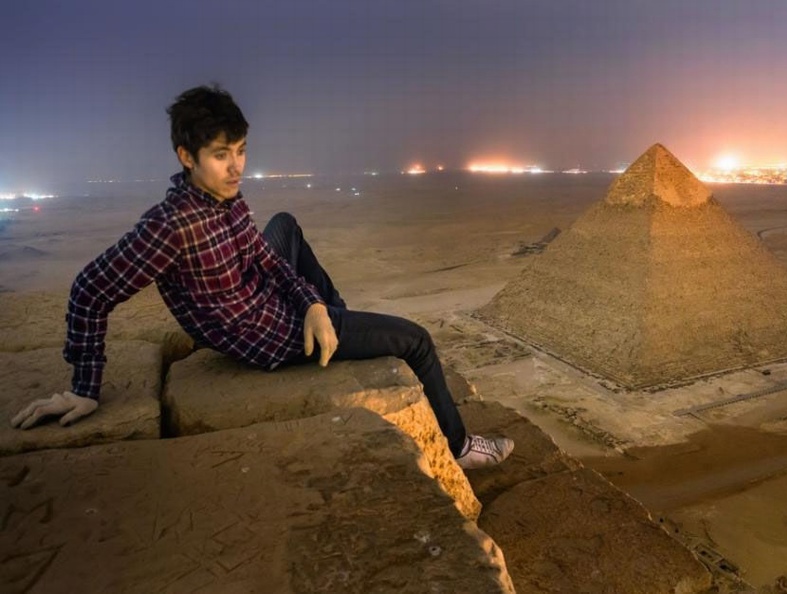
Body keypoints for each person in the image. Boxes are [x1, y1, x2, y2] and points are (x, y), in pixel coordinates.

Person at [10, 85, 513, 470]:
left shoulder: (224, 200)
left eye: (241, 150)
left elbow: (268, 260)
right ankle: (462, 446)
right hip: (265, 338)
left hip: (268, 300)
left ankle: (334, 321)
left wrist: (314, 305)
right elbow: (88, 291)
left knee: (285, 226)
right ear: (187, 157)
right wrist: (85, 386)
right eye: (221, 155)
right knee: (418, 342)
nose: (236, 167)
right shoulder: (170, 227)